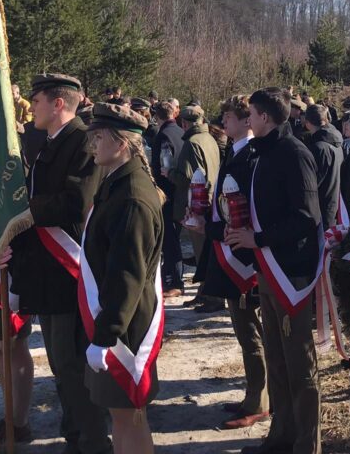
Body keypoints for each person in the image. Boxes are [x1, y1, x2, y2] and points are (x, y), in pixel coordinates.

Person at [6, 73, 110, 454]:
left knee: (71, 365)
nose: (31, 106)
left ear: (58, 103)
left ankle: (92, 442)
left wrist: (22, 210)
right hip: (48, 271)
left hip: (70, 273)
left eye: (37, 100)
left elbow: (76, 203)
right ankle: (75, 436)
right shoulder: (52, 140)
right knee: (60, 364)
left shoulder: (82, 141)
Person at [226, 87, 322, 454]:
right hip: (268, 268)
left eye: (250, 114)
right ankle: (282, 434)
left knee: (299, 363)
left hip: (290, 274)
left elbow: (306, 217)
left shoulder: (293, 153)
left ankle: (306, 444)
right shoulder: (263, 153)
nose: (247, 120)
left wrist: (259, 238)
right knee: (277, 359)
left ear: (265, 117)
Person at [81, 103, 163, 454]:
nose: (93, 144)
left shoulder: (131, 196)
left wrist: (106, 334)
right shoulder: (117, 183)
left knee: (127, 417)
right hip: (120, 320)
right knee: (126, 416)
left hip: (125, 328)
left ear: (122, 143)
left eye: (99, 137)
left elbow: (126, 275)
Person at [201, 94, 269, 429]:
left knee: (251, 330)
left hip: (243, 256)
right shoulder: (236, 151)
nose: (223, 121)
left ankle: (259, 399)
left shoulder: (252, 156)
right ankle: (252, 394)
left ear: (247, 121)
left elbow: (245, 212)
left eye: (229, 116)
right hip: (230, 247)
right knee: (244, 331)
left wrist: (212, 226)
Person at [169, 104, 221, 306]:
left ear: (183, 123)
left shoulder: (191, 143)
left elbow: (188, 178)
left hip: (196, 203)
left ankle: (212, 298)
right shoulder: (209, 139)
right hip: (210, 200)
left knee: (202, 253)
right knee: (205, 251)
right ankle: (204, 293)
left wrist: (170, 173)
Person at [152, 101, 184, 297]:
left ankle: (175, 281)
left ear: (156, 116)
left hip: (167, 192)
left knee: (170, 240)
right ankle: (172, 277)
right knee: (173, 237)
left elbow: (165, 165)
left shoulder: (162, 136)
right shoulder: (180, 132)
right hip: (179, 192)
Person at [304, 103, 343, 226]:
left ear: (307, 123)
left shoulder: (318, 148)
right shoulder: (335, 140)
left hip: (320, 208)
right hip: (334, 203)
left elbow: (313, 182)